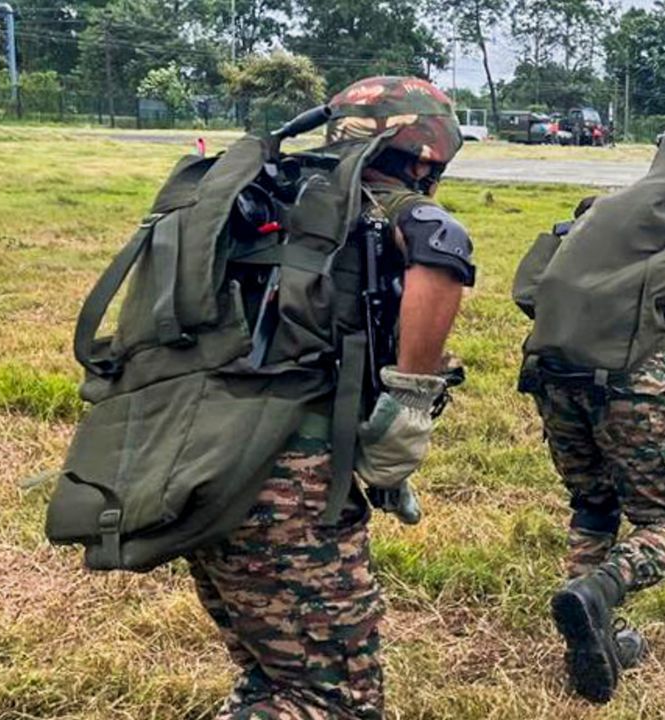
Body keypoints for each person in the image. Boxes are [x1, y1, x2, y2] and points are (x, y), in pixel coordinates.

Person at [188, 76, 475, 720]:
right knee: (332, 700)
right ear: (426, 148)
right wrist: (409, 402)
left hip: (197, 458)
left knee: (272, 673)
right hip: (289, 487)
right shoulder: (381, 201)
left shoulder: (270, 192)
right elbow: (441, 245)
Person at [513, 125, 665, 704]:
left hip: (552, 379)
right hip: (631, 389)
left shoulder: (589, 230)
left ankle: (593, 633)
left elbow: (530, 294)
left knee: (593, 503)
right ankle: (599, 592)